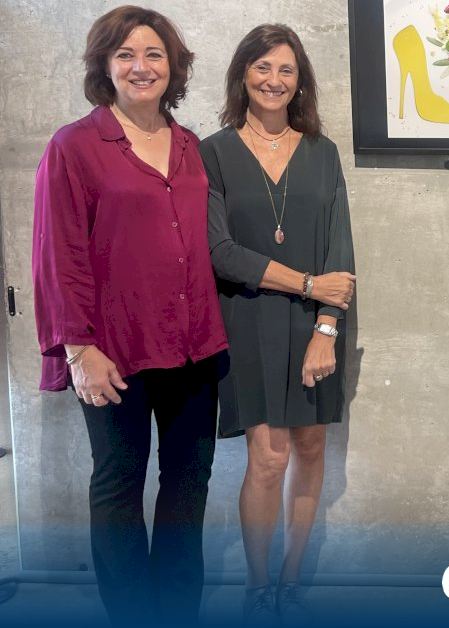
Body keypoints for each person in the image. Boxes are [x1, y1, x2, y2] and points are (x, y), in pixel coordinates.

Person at [31, 6, 226, 625]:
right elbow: (58, 253)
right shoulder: (74, 146)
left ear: (174, 67)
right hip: (112, 351)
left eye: (154, 54)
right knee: (119, 487)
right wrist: (77, 348)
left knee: (187, 488)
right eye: (126, 55)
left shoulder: (190, 145)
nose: (141, 67)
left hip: (194, 346)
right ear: (105, 66)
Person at [200, 23, 356, 622]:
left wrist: (327, 326)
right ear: (243, 75)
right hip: (247, 317)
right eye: (262, 67)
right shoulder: (213, 152)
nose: (274, 79)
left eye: (286, 69)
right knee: (268, 457)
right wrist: (308, 284)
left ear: (300, 81)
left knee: (310, 446)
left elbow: (339, 251)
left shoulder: (323, 152)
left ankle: (292, 579)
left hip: (317, 325)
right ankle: (257, 584)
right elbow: (221, 252)